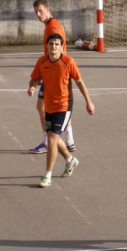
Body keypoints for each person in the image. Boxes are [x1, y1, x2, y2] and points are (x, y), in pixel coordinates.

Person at [28, 33, 95, 188]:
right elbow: (35, 78)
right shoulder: (42, 61)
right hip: (49, 105)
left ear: (61, 46)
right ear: (47, 46)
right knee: (55, 139)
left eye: (57, 44)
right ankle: (70, 160)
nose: (54, 47)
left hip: (64, 106)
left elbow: (79, 82)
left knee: (51, 139)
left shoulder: (68, 62)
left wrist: (88, 102)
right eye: (51, 44)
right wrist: (32, 86)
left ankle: (47, 175)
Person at [29, 0, 76, 154]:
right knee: (61, 106)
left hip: (55, 71)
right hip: (56, 70)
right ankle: (70, 140)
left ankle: (46, 142)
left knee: (42, 106)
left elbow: (58, 51)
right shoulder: (50, 25)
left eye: (40, 11)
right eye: (36, 11)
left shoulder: (53, 26)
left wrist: (48, 70)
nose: (38, 14)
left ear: (48, 10)